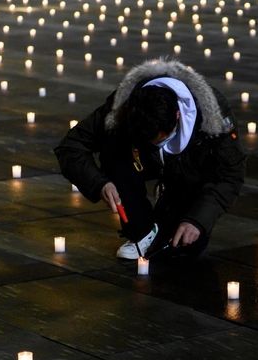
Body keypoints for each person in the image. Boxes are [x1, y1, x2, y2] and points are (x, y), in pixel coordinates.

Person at [55, 58, 246, 259]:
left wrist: (196, 221)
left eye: (162, 140)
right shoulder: (122, 105)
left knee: (185, 245)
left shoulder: (213, 114)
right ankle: (142, 231)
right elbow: (71, 146)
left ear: (178, 115)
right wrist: (100, 183)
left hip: (190, 172)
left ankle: (171, 206)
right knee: (114, 149)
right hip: (141, 163)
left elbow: (230, 174)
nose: (158, 146)